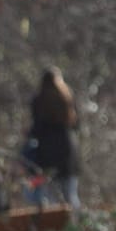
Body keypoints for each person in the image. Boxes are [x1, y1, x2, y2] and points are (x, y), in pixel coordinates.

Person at [26, 67, 80, 209]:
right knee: (70, 194)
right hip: (68, 149)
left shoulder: (39, 100)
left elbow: (37, 129)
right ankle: (76, 223)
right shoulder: (67, 98)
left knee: (51, 195)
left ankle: (58, 224)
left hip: (48, 153)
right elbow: (76, 124)